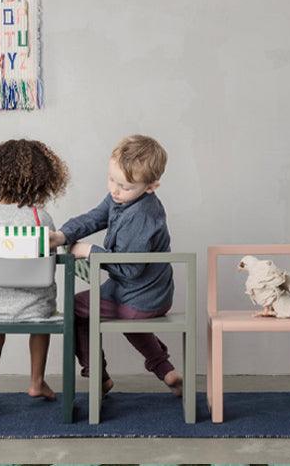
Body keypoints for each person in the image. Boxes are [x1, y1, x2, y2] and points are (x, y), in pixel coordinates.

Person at [49, 135, 182, 396]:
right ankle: (165, 370)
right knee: (122, 316)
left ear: (152, 186)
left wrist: (89, 251)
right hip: (136, 293)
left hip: (140, 296)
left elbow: (130, 269)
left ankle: (97, 373)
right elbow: (94, 217)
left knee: (77, 308)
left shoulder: (143, 215)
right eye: (112, 179)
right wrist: (63, 235)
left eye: (125, 186)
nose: (115, 190)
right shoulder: (121, 197)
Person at [0, 139, 69, 400]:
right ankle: (36, 381)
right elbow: (50, 263)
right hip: (36, 308)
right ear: (41, 178)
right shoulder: (39, 217)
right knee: (42, 315)